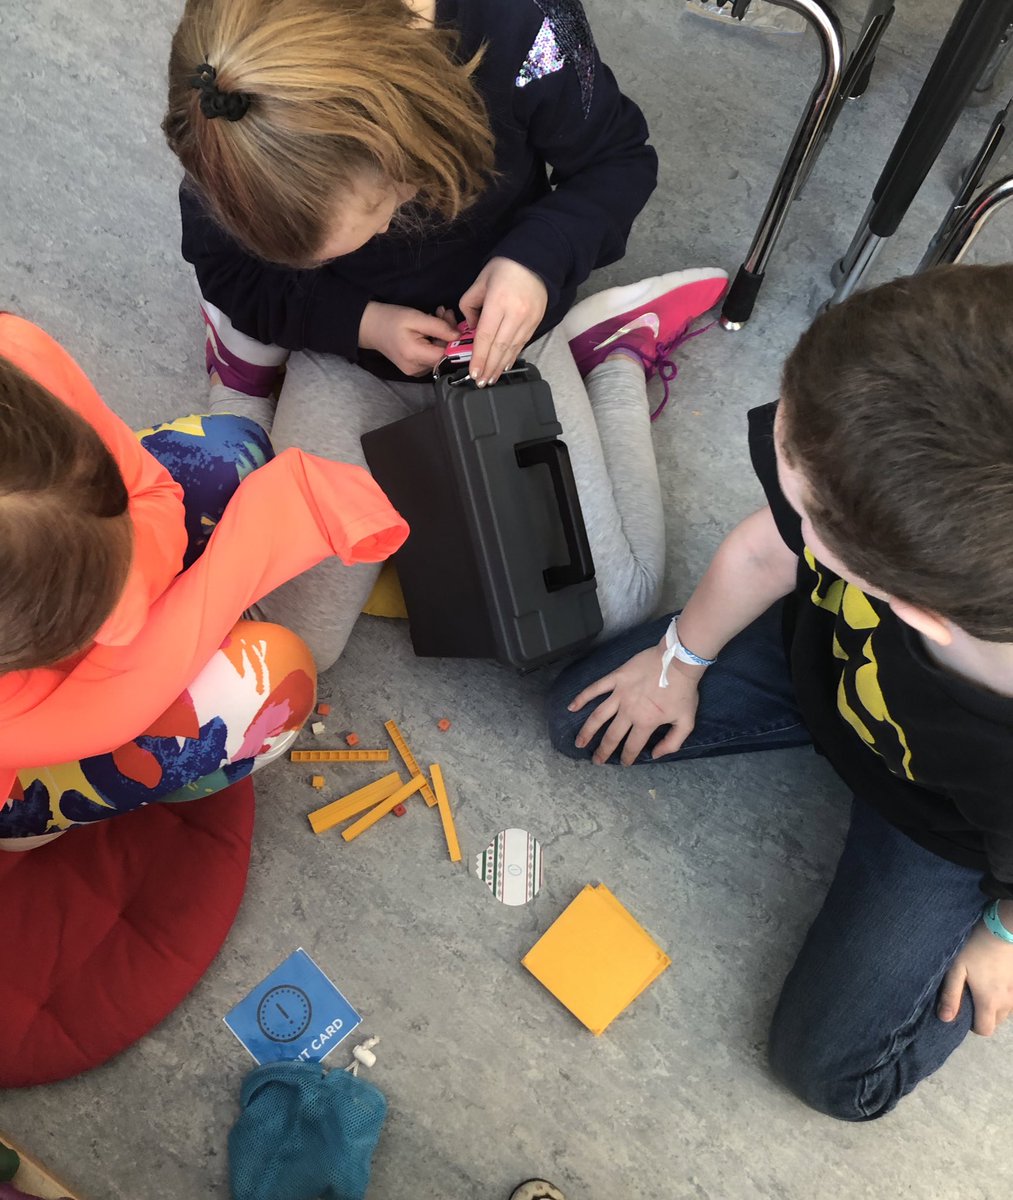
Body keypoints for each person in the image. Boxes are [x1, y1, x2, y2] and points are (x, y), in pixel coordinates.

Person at [547, 264, 1013, 1120]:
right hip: (829, 665)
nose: (772, 465)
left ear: (909, 609)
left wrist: (1002, 935)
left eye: (804, 508)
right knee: (582, 714)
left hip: (945, 832)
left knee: (831, 1077)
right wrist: (679, 664)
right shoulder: (881, 436)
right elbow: (766, 554)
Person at [162, 0, 728, 670]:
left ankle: (611, 352)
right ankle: (248, 354)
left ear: (403, 130)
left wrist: (536, 266)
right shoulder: (230, 111)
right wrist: (359, 321)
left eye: (378, 216)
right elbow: (226, 266)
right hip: (354, 357)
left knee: (613, 612)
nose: (377, 239)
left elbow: (619, 160)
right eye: (317, 253)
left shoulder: (524, 29)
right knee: (281, 647)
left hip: (512, 336)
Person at [0, 313, 407, 847]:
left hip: (74, 672)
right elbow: (110, 709)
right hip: (45, 739)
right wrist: (257, 536)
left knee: (230, 450)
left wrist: (129, 580)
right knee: (273, 677)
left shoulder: (18, 359)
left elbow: (152, 493)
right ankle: (29, 824)